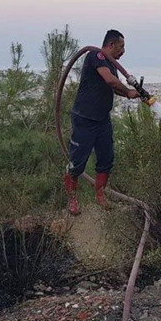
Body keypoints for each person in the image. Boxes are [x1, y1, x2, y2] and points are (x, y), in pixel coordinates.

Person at [63, 29, 143, 215]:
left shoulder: (111, 64)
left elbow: (115, 88)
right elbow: (109, 80)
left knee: (106, 158)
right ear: (111, 45)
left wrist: (133, 94)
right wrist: (129, 91)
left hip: (102, 120)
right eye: (121, 47)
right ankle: (72, 200)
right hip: (85, 119)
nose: (123, 51)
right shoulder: (95, 56)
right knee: (77, 162)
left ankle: (100, 195)